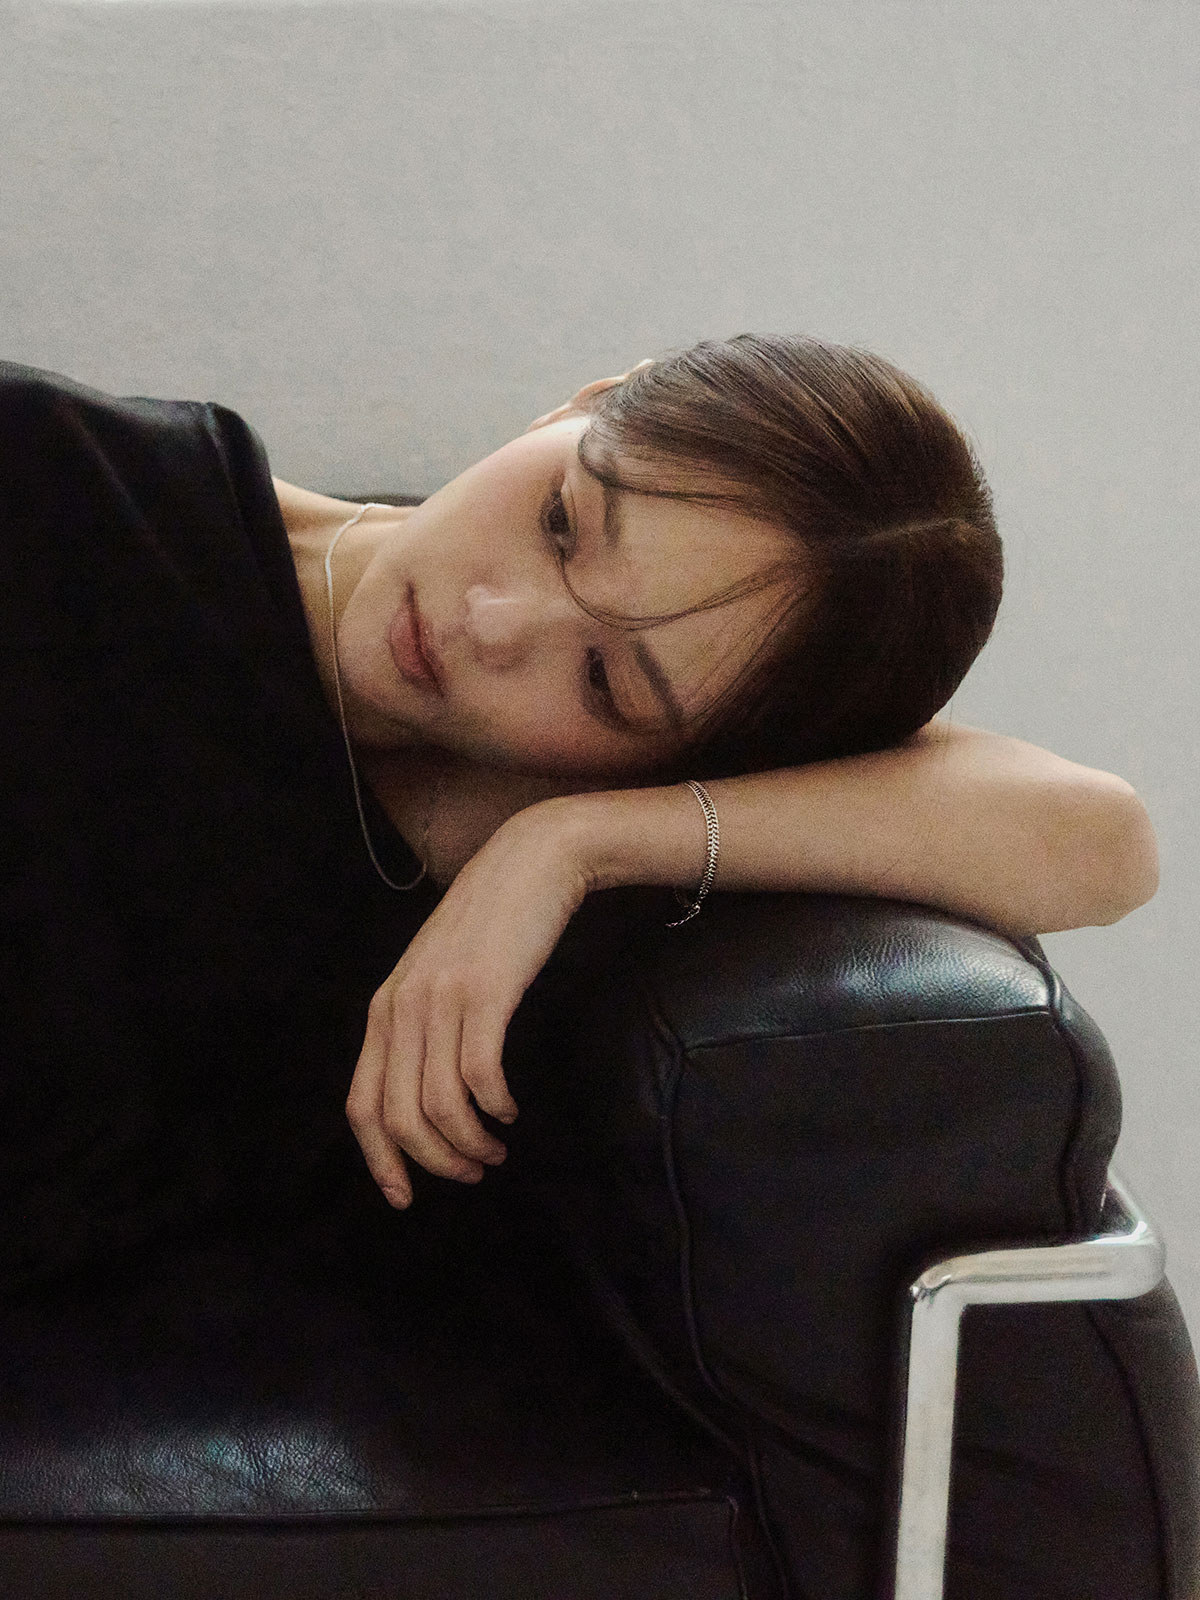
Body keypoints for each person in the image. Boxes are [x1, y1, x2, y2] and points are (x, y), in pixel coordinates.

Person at [0, 334, 1157, 1287]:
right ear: (592, 398)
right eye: (562, 521)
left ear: (698, 754)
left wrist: (572, 843)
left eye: (608, 682)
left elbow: (1099, 839)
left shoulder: (542, 811)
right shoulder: (58, 479)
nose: (493, 622)